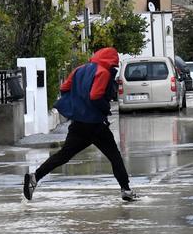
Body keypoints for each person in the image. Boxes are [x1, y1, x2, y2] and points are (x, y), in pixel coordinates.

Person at [23, 47, 137, 202]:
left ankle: (35, 177)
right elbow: (95, 96)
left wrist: (76, 105)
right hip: (96, 124)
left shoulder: (79, 69)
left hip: (78, 124)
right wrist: (105, 109)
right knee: (114, 157)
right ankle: (126, 190)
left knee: (63, 155)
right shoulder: (103, 72)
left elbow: (64, 88)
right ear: (110, 61)